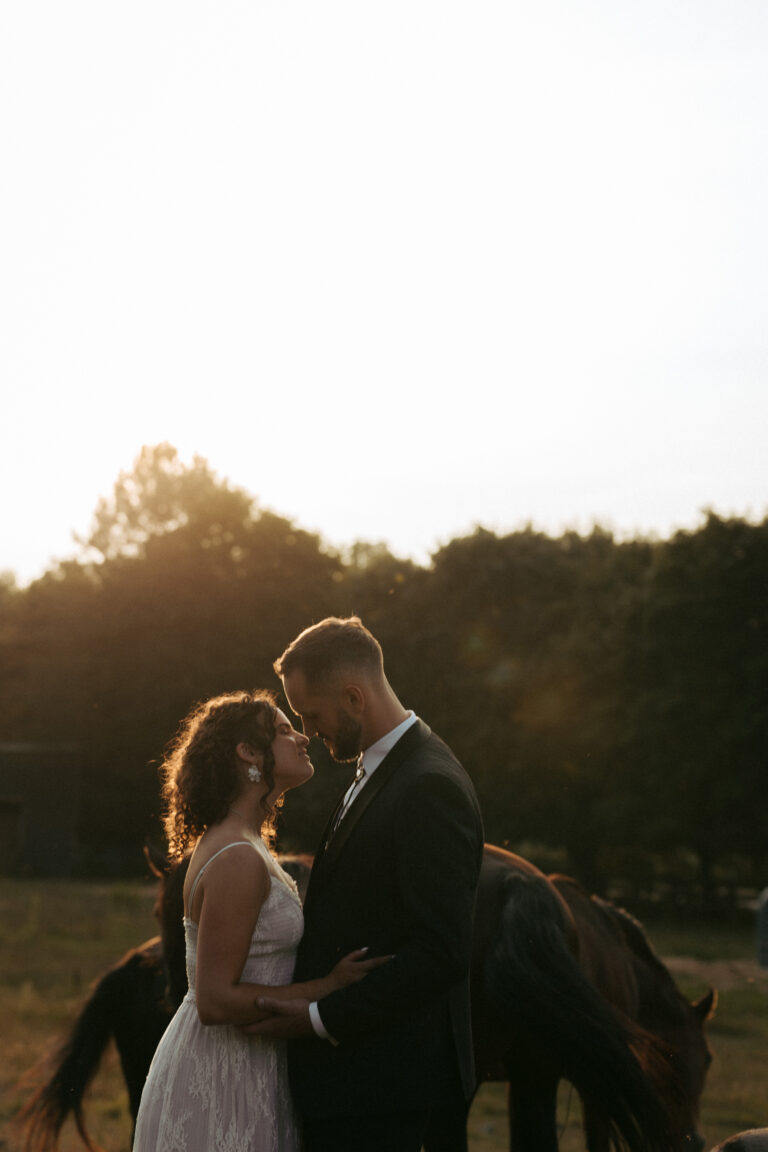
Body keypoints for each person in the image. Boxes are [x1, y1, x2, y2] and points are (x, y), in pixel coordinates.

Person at [251, 616, 485, 1152]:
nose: (309, 732)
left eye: (312, 715)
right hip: (362, 1082)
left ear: (354, 697)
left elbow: (441, 951)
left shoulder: (427, 785)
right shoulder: (382, 769)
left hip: (388, 1087)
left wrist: (318, 1016)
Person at [133, 689, 386, 1152]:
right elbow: (214, 1001)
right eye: (284, 731)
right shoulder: (237, 857)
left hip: (251, 1064)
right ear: (248, 753)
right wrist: (325, 988)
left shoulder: (244, 842)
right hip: (223, 1074)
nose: (303, 738)